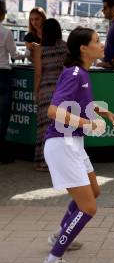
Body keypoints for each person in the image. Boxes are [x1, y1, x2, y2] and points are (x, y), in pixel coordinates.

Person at [40, 27, 114, 263]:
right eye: (97, 41)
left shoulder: (82, 72)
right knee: (88, 208)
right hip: (62, 145)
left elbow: (80, 105)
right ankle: (52, 260)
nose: (101, 44)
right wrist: (88, 124)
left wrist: (103, 112)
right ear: (83, 48)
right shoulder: (74, 73)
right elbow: (53, 111)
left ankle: (61, 232)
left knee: (93, 192)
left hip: (73, 144)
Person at [33, 18, 67, 171]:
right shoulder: (66, 47)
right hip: (62, 91)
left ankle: (43, 162)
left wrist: (36, 92)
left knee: (44, 127)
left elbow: (38, 74)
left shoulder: (40, 49)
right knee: (59, 127)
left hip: (46, 91)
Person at [0, 1, 22, 164]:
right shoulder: (6, 32)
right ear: (2, 13)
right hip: (3, 75)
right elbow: (14, 55)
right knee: (3, 115)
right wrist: (29, 52)